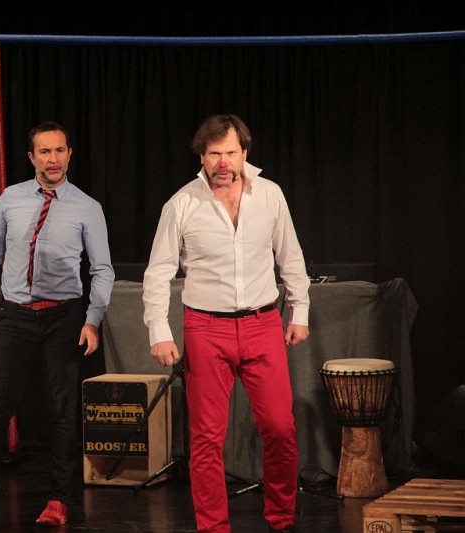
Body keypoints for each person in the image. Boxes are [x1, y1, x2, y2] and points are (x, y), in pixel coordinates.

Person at [142, 114, 310, 533]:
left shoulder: (269, 195)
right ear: (202, 156)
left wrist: (299, 311)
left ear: (244, 153)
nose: (223, 162)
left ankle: (281, 520)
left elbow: (290, 257)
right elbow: (158, 272)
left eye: (231, 153)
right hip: (205, 328)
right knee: (206, 438)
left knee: (280, 428)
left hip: (262, 324)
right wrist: (159, 331)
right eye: (214, 153)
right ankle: (213, 527)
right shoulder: (182, 203)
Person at [0, 121, 114, 527]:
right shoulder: (11, 198)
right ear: (31, 157)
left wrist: (92, 320)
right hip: (16, 315)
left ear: (69, 155)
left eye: (59, 151)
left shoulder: (87, 207)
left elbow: (102, 270)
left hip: (63, 316)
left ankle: (58, 501)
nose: (52, 159)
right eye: (44, 151)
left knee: (61, 411)